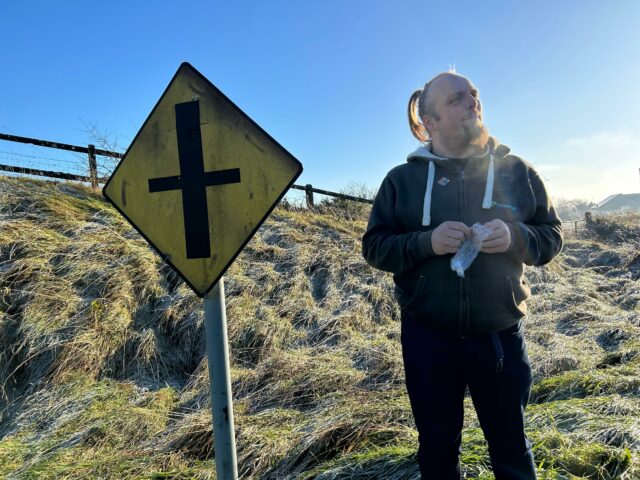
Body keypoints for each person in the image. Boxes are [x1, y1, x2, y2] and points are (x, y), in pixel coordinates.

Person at [361, 71, 563, 479]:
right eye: (456, 99)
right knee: (437, 449)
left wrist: (515, 236)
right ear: (429, 122)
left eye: (473, 94)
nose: (472, 101)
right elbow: (375, 247)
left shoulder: (518, 171)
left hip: (500, 337)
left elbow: (552, 237)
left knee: (511, 445)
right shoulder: (401, 181)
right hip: (427, 338)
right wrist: (425, 243)